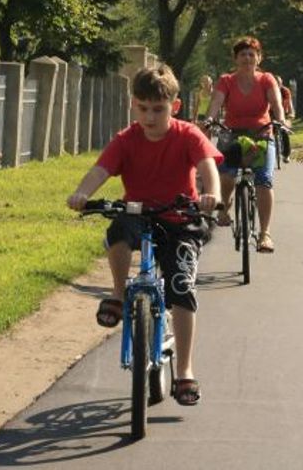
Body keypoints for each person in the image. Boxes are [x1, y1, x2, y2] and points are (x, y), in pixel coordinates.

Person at [66, 65, 222, 407]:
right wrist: (81, 193)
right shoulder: (126, 139)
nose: (150, 116)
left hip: (181, 219)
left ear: (174, 107)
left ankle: (184, 370)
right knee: (118, 229)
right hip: (138, 214)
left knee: (181, 287)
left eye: (158, 109)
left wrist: (211, 193)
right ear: (133, 105)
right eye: (143, 108)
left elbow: (208, 166)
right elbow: (101, 170)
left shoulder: (188, 135)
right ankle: (119, 296)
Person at [204, 36, 287, 253]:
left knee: (264, 180)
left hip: (261, 134)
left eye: (252, 54)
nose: (247, 58)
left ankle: (265, 234)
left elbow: (277, 104)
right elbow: (215, 103)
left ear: (259, 58)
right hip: (232, 135)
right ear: (235, 59)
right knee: (226, 175)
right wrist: (210, 119)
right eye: (242, 54)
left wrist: (280, 120)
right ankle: (225, 206)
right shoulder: (226, 81)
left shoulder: (267, 80)